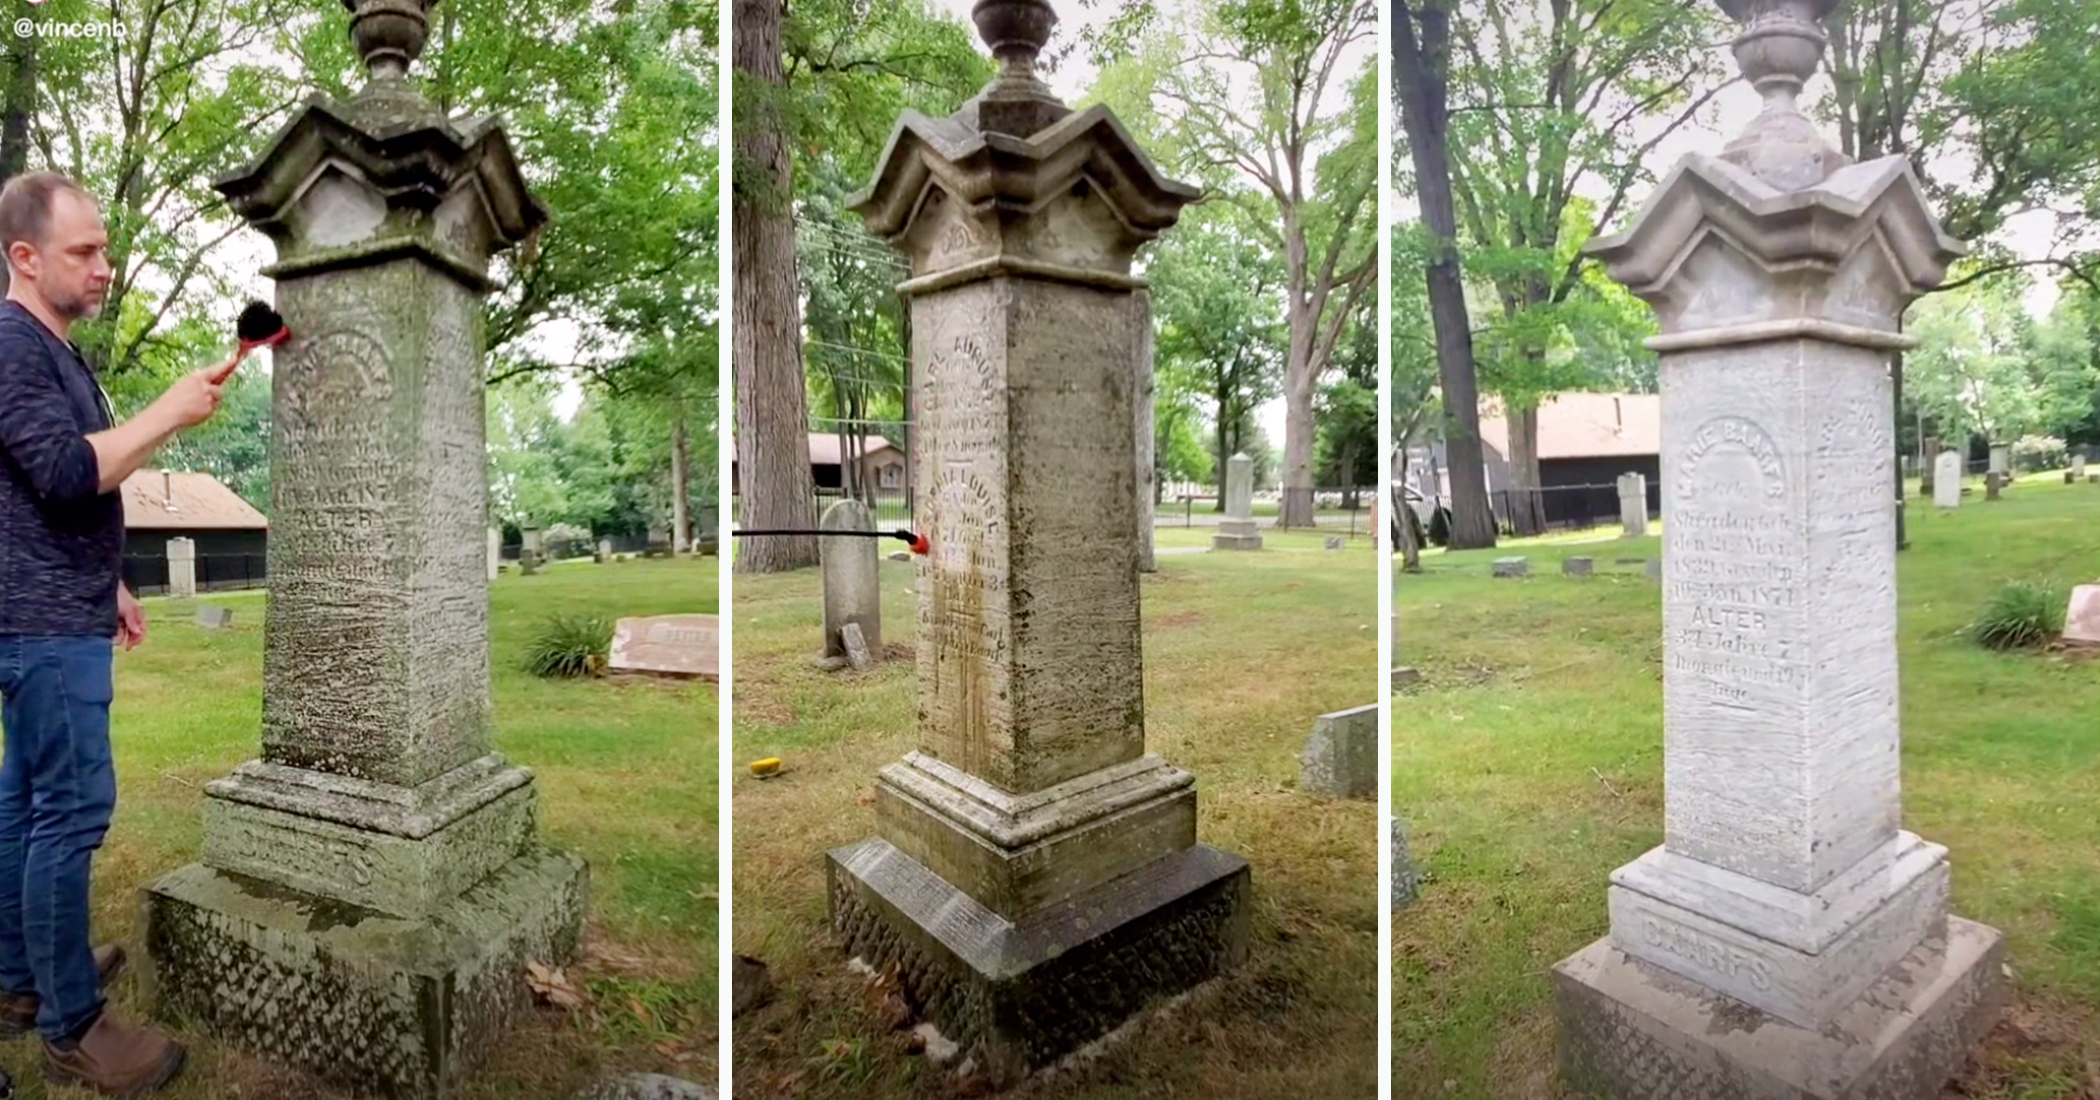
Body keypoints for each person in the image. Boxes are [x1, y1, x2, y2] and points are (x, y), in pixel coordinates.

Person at [0, 171, 245, 1097]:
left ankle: (23, 984)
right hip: (39, 624)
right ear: (25, 258)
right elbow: (66, 473)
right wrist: (168, 415)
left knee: (24, 803)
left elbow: (53, 491)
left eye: (104, 249)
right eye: (85, 252)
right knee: (67, 814)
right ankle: (72, 1027)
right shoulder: (13, 344)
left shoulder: (54, 350)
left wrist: (112, 582)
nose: (105, 267)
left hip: (63, 603)